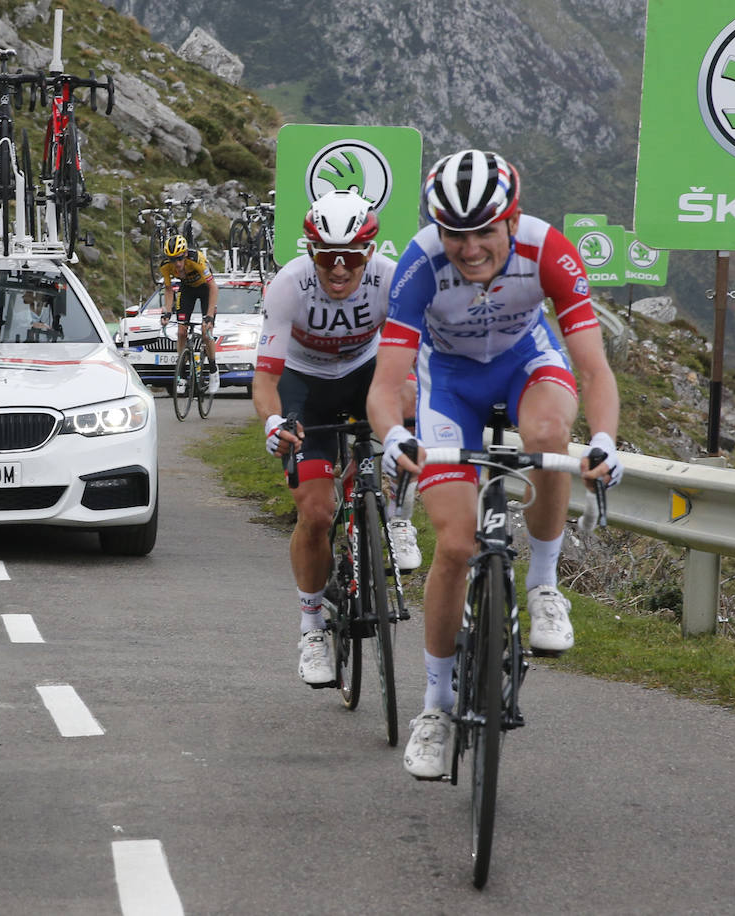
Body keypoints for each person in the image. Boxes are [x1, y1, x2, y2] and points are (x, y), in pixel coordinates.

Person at [366, 149, 622, 779]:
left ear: (513, 219)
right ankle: (436, 707)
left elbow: (592, 367)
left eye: (485, 230)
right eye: (456, 232)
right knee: (454, 547)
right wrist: (395, 435)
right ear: (438, 229)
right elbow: (385, 384)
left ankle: (542, 584)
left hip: (526, 363)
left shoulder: (549, 250)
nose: (471, 247)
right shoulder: (421, 263)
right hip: (449, 383)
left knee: (548, 434)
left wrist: (607, 440)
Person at [251, 188, 420, 688]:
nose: (340, 269)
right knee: (317, 513)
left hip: (367, 373)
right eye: (328, 257)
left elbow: (419, 359)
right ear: (311, 252)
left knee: (412, 399)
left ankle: (398, 517)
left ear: (370, 251)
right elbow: (264, 379)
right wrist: (272, 423)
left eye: (351, 257)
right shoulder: (288, 286)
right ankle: (311, 630)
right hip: (305, 386)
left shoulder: (390, 279)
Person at [158, 233, 220, 395]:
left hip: (206, 290)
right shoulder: (165, 266)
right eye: (173, 260)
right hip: (187, 291)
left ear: (185, 254)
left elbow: (213, 287)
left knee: (207, 332)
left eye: (179, 258)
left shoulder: (197, 260)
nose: (176, 264)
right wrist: (167, 311)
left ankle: (213, 371)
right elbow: (169, 289)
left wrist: (209, 316)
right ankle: (182, 375)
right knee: (181, 331)